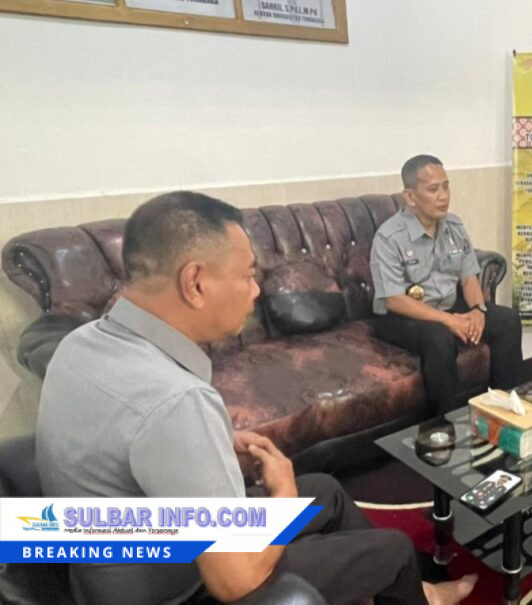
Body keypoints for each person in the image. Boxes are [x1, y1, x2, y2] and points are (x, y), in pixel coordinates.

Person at [36, 191, 476, 605]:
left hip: (122, 553)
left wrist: (212, 443)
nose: (256, 290)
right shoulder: (176, 401)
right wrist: (281, 499)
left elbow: (123, 435)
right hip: (174, 586)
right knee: (393, 548)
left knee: (326, 491)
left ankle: (379, 589)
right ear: (195, 282)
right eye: (247, 275)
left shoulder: (82, 343)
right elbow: (236, 580)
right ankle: (417, 591)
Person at [371, 154, 524, 415]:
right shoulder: (389, 237)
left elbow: (469, 277)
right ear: (410, 196)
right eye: (433, 189)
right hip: (404, 316)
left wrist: (478, 310)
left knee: (507, 320)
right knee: (439, 337)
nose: (443, 196)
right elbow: (394, 299)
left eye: (446, 186)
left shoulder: (454, 225)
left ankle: (505, 409)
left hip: (449, 306)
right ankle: (445, 422)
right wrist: (449, 320)